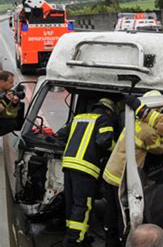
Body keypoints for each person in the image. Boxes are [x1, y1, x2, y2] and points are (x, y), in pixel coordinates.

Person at [103, 90, 163, 247]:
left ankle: (110, 238)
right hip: (122, 176)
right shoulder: (148, 130)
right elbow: (159, 150)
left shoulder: (132, 121)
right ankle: (122, 240)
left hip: (111, 172)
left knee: (111, 211)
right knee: (123, 215)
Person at [60, 98, 116, 246]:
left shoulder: (79, 117)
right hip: (86, 168)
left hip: (68, 164)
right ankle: (75, 240)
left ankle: (76, 234)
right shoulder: (105, 119)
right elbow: (104, 142)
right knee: (83, 205)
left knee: (71, 202)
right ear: (109, 111)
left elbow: (61, 135)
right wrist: (118, 148)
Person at [0, 71, 20, 136]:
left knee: (12, 123)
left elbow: (10, 115)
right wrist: (7, 100)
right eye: (10, 82)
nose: (13, 85)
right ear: (2, 82)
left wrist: (14, 104)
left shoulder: (6, 93)